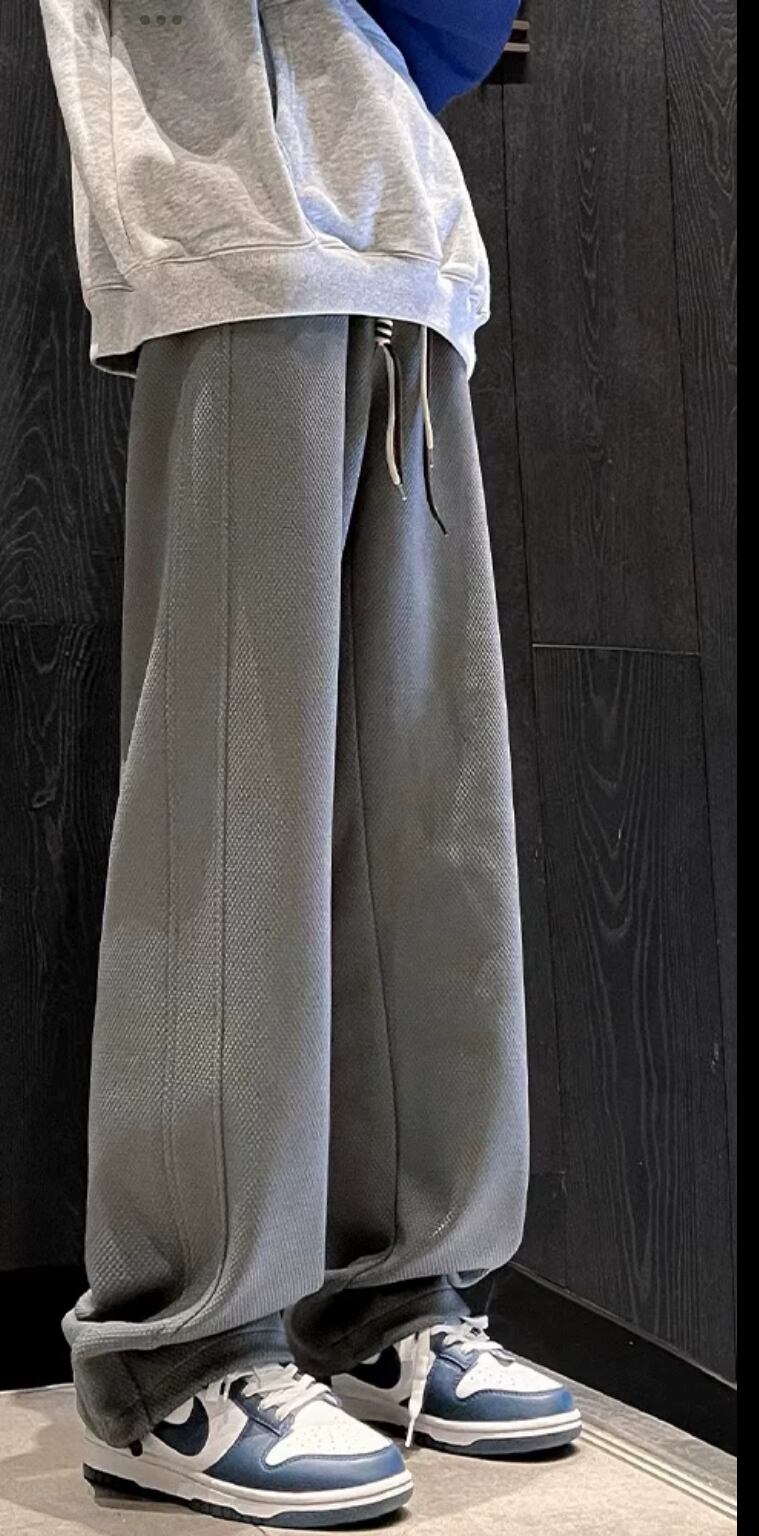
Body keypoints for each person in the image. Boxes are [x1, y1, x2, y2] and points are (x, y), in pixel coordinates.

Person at [38, 1, 581, 1526]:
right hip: (241, 207)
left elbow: (458, 30)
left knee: (427, 822)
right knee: (241, 805)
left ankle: (392, 1295)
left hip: (405, 238)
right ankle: (182, 1351)